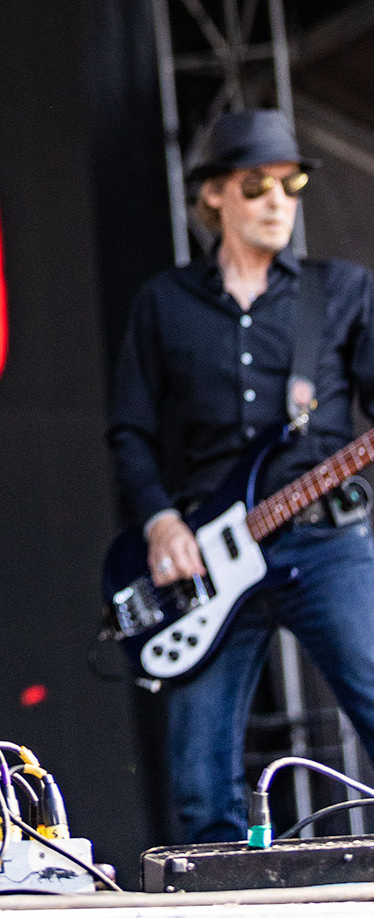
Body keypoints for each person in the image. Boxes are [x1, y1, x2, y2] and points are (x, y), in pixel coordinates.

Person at [108, 109, 374, 843]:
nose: (278, 201)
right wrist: (162, 521)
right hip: (206, 553)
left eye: (291, 185)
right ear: (215, 195)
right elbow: (129, 431)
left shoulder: (342, 291)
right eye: (257, 186)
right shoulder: (165, 303)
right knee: (199, 779)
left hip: (325, 543)